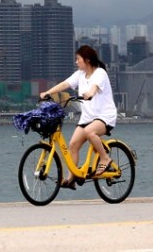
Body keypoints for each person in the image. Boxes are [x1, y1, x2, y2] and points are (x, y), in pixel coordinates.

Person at [39, 44, 117, 188]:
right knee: (73, 145)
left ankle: (105, 158)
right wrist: (48, 93)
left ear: (87, 60)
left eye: (78, 59)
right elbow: (65, 84)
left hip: (105, 117)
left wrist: (90, 93)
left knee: (89, 132)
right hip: (87, 118)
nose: (76, 62)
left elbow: (94, 87)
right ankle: (71, 178)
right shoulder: (80, 74)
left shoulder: (100, 73)